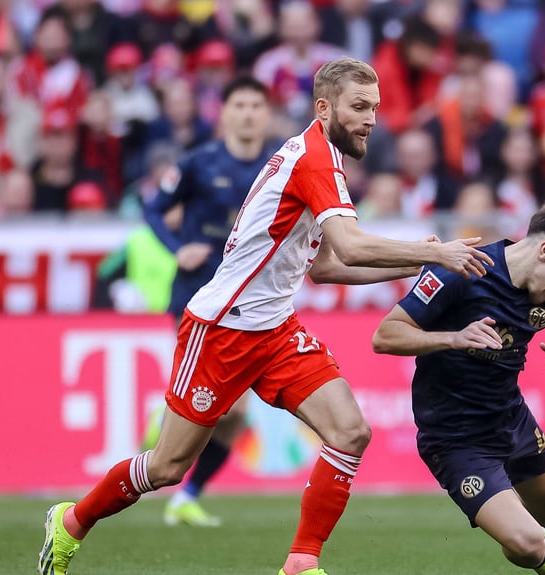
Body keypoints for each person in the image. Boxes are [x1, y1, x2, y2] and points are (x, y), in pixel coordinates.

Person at [39, 56, 495, 575]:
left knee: (350, 431)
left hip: (275, 329)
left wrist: (414, 263)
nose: (372, 118)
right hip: (221, 330)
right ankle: (71, 521)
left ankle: (301, 563)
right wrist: (431, 254)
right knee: (167, 467)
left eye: (376, 106)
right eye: (360, 107)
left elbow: (325, 266)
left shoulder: (323, 160)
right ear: (324, 108)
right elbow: (349, 243)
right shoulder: (313, 161)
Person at [371, 202, 545, 575]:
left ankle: (538, 548)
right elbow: (385, 336)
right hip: (454, 437)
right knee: (526, 544)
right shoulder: (463, 269)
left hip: (510, 418)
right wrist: (454, 338)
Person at [139, 75, 276, 527]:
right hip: (197, 294)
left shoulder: (282, 165)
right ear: (224, 112)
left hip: (250, 301)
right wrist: (177, 246)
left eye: (257, 105)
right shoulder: (198, 163)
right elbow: (152, 207)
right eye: (240, 104)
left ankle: (187, 496)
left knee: (236, 416)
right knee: (227, 404)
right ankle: (170, 415)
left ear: (267, 113)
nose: (249, 113)